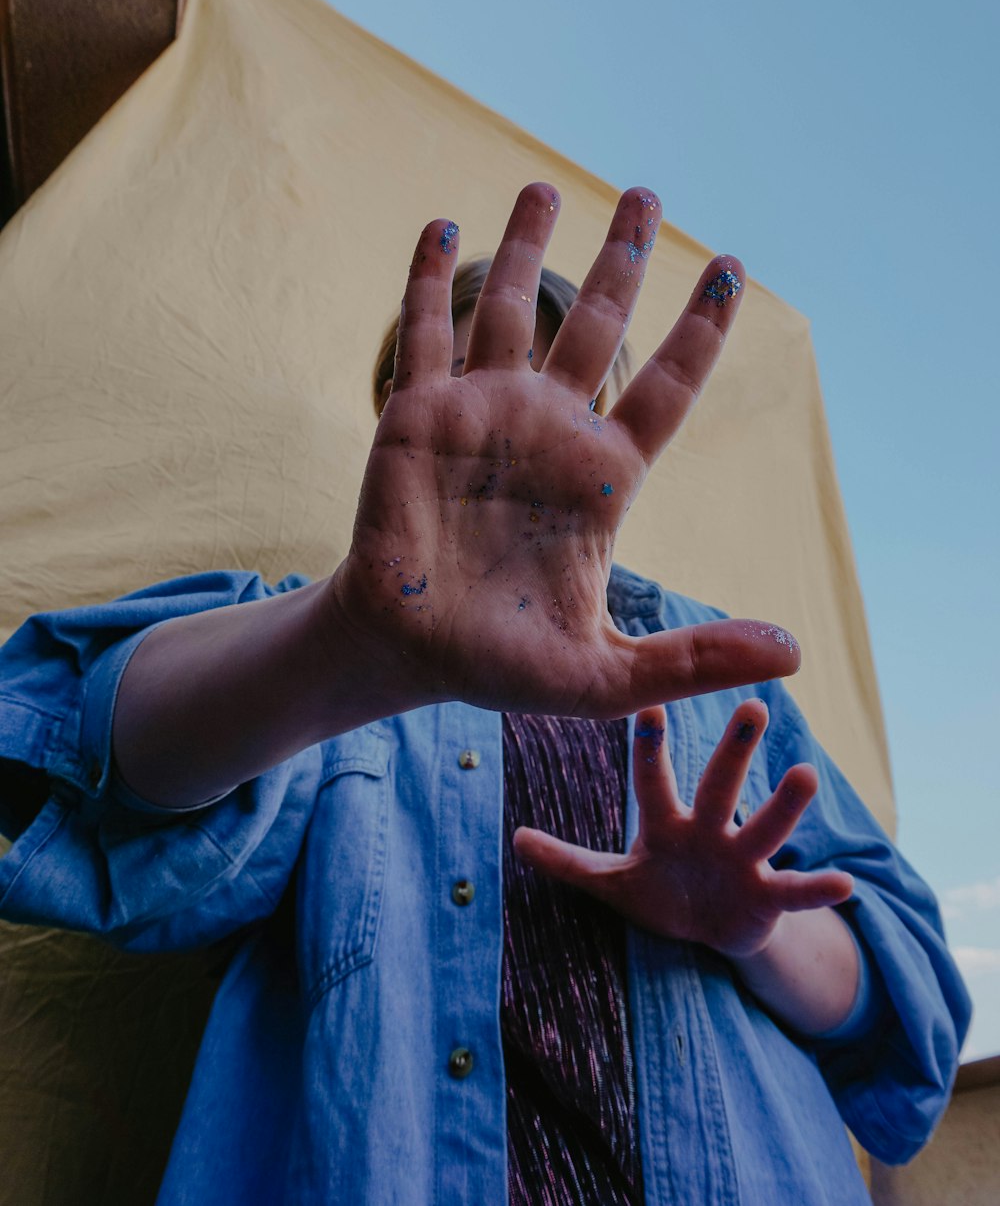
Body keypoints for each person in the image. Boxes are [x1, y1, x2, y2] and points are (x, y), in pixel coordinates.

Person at [0, 184, 970, 1205]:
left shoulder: (708, 669)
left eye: (570, 393)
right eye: (468, 375)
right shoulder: (316, 641)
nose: (517, 425)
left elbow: (908, 1013)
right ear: (397, 410)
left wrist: (755, 925)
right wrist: (346, 638)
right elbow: (74, 762)